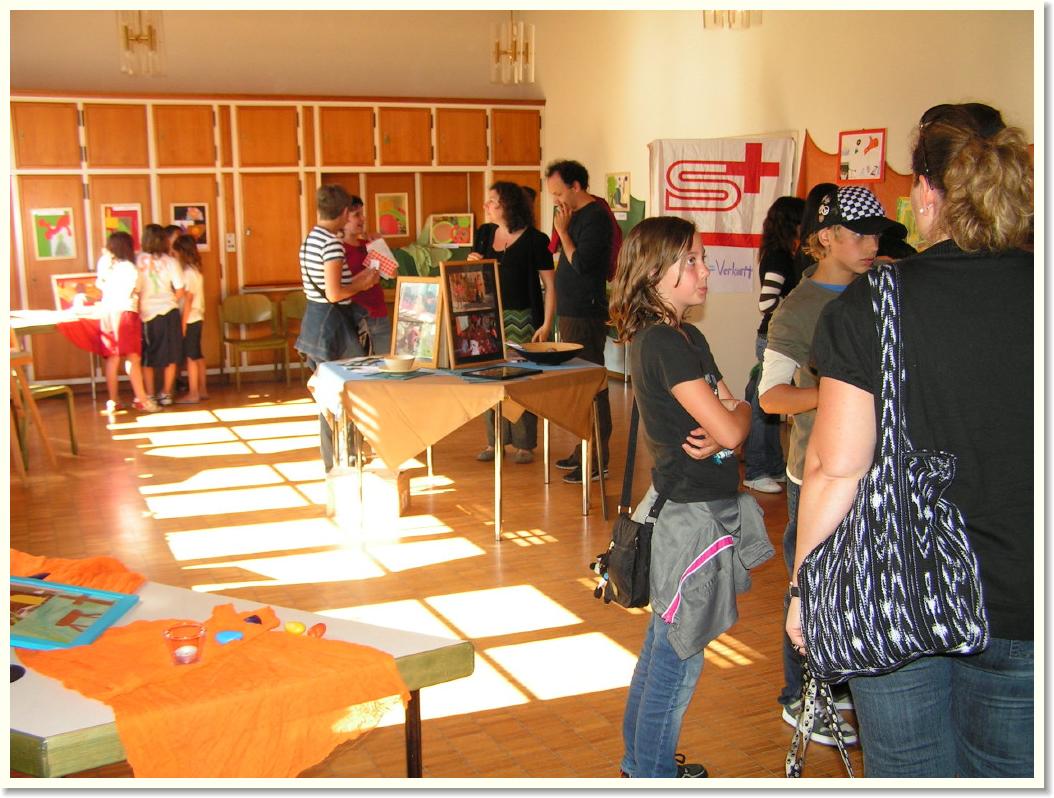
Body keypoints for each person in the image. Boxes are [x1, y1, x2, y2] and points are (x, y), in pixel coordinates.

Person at [787, 103, 1033, 778]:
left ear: (926, 192)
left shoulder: (875, 301)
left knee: (907, 770)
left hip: (896, 584)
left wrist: (807, 585)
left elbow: (837, 467)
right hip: (1024, 593)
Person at [609, 216, 769, 779]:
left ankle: (640, 765)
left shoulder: (686, 338)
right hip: (692, 519)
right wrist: (733, 422)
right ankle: (652, 775)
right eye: (692, 261)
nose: (706, 272)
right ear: (655, 272)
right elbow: (730, 424)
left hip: (695, 510)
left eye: (703, 259)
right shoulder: (663, 343)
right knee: (677, 661)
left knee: (663, 649)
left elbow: (739, 411)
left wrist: (734, 421)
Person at [760, 185, 903, 746]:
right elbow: (771, 396)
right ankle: (801, 697)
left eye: (876, 235)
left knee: (864, 579)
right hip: (815, 472)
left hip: (877, 466)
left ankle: (840, 682)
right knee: (812, 585)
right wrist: (840, 393)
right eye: (858, 233)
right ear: (825, 237)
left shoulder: (885, 285)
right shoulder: (798, 308)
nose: (871, 245)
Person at [294, 185, 380, 472]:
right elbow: (335, 292)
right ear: (344, 212)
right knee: (345, 394)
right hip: (332, 326)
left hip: (317, 322)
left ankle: (338, 460)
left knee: (329, 395)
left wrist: (356, 282)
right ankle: (345, 458)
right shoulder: (331, 243)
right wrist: (362, 283)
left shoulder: (311, 238)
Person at [469, 181, 555, 464]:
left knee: (520, 382)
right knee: (489, 379)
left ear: (508, 204)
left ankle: (524, 444)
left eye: (492, 201)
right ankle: (494, 441)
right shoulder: (484, 233)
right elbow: (472, 279)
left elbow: (550, 286)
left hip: (522, 319)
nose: (486, 206)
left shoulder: (536, 240)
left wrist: (546, 324)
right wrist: (471, 264)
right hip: (487, 319)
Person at [545, 159, 614, 484]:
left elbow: (582, 264)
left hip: (585, 314)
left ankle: (597, 458)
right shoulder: (573, 215)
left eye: (559, 193)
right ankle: (583, 447)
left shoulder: (596, 218)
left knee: (592, 386)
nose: (556, 200)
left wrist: (562, 232)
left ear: (576, 186)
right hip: (571, 312)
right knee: (579, 387)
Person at [742, 196, 804, 494]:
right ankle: (756, 470)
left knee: (766, 406)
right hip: (773, 339)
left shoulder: (780, 253)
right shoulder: (779, 257)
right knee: (763, 407)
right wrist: (794, 312)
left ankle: (773, 465)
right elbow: (767, 302)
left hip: (773, 338)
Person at [95, 232, 159, 413]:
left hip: (107, 312)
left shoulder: (105, 266)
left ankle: (113, 400)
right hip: (125, 312)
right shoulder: (130, 268)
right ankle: (142, 400)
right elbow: (136, 290)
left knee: (112, 357)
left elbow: (100, 286)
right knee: (133, 357)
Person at [137, 223, 185, 406]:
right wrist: (169, 299)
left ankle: (150, 394)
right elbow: (180, 289)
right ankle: (166, 393)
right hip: (169, 311)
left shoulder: (138, 261)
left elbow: (136, 289)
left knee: (147, 357)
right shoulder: (171, 261)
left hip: (147, 313)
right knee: (171, 355)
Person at [338, 197, 391, 357]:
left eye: (362, 214)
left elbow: (391, 273)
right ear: (343, 218)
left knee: (385, 365)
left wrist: (380, 245)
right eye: (357, 215)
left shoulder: (368, 244)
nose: (363, 218)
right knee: (357, 368)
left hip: (379, 316)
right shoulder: (337, 249)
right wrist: (362, 280)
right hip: (354, 319)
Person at [172, 234, 207, 404]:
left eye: (176, 253)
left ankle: (193, 392)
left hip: (191, 318)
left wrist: (183, 324)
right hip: (197, 317)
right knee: (197, 354)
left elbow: (188, 300)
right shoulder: (196, 271)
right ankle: (202, 389)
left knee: (191, 357)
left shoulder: (188, 274)